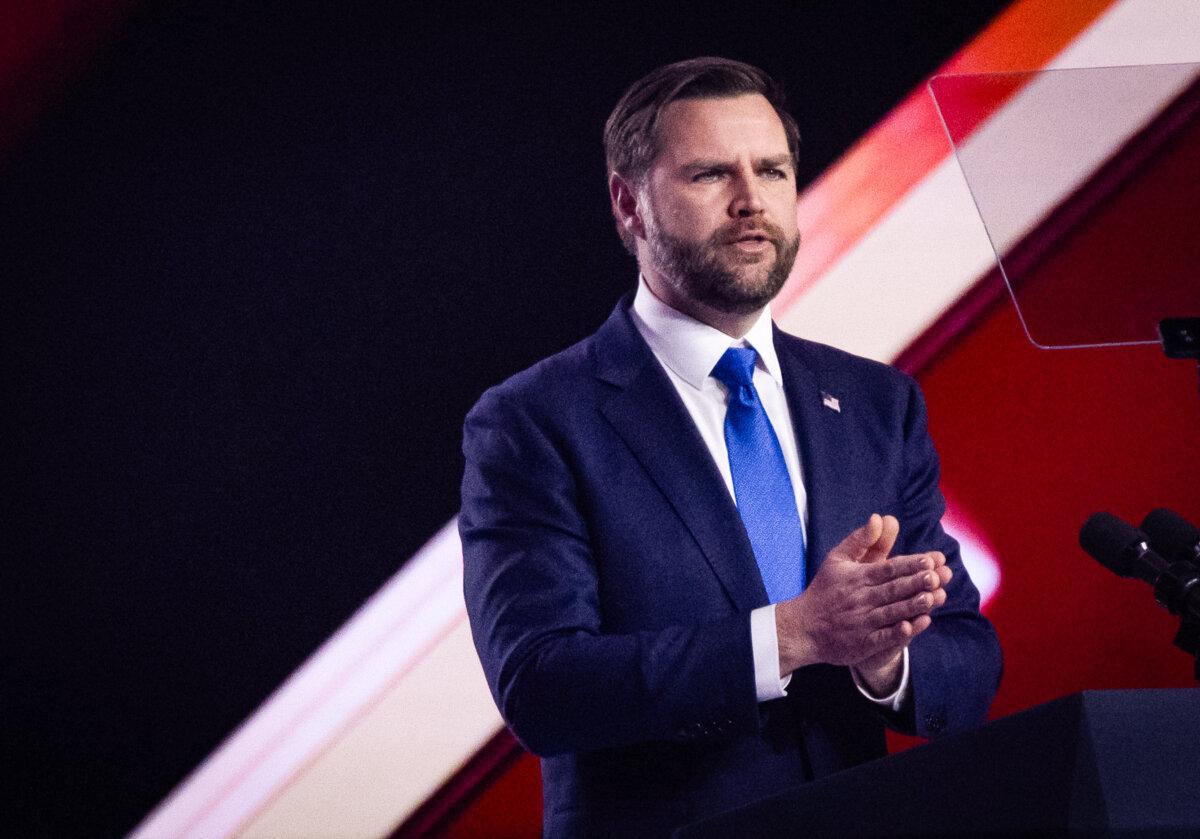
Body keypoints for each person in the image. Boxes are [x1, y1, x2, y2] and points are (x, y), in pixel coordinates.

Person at [460, 57, 1001, 837]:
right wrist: (794, 635)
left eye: (772, 171)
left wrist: (882, 659)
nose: (751, 201)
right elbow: (543, 685)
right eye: (711, 174)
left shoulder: (876, 403)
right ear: (628, 205)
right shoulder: (535, 420)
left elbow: (966, 656)